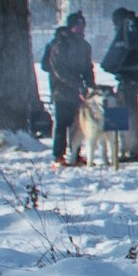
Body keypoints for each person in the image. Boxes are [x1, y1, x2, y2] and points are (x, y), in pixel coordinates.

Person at [40, 12, 98, 165]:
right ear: (71, 26)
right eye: (77, 25)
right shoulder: (59, 44)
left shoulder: (84, 45)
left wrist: (91, 86)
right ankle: (59, 155)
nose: (80, 28)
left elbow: (87, 68)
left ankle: (75, 154)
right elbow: (58, 69)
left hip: (78, 93)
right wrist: (77, 85)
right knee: (61, 124)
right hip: (61, 90)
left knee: (77, 124)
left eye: (82, 25)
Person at [100, 6, 138, 163]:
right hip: (133, 79)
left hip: (127, 79)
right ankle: (128, 148)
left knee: (121, 112)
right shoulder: (136, 31)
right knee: (128, 112)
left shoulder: (128, 31)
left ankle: (126, 149)